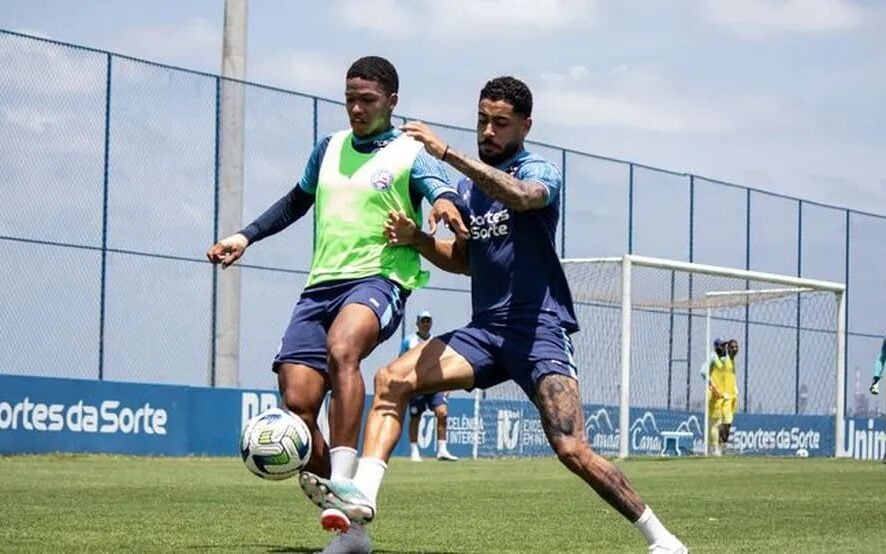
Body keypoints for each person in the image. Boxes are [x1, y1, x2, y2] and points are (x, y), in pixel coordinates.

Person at [298, 76, 687, 553]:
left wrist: (448, 154)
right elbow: (464, 260)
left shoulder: (540, 170)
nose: (488, 131)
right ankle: (358, 519)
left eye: (500, 123)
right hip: (485, 333)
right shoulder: (469, 190)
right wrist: (418, 240)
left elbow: (523, 197)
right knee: (391, 380)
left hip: (538, 329)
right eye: (482, 120)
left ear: (525, 125)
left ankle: (662, 539)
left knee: (572, 449)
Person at [206, 56, 466, 554]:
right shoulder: (328, 148)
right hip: (319, 286)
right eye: (349, 98)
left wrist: (444, 204)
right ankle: (350, 524)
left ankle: (347, 479)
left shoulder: (411, 152)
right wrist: (245, 236)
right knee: (298, 404)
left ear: (391, 101)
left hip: (380, 278)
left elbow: (440, 188)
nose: (356, 108)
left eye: (367, 100)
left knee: (343, 348)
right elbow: (294, 201)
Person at [401, 310, 458, 462]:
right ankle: (414, 451)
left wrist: (447, 385)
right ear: (417, 323)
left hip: (435, 384)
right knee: (416, 417)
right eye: (423, 321)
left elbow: (443, 364)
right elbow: (401, 362)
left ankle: (442, 450)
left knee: (442, 412)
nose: (425, 324)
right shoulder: (409, 341)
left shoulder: (437, 342)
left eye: (428, 321)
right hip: (416, 385)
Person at [701, 338, 739, 456]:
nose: (724, 347)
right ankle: (714, 448)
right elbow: (703, 372)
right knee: (716, 423)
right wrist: (711, 385)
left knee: (727, 421)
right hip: (714, 394)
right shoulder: (713, 357)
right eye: (722, 345)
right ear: (717, 346)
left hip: (725, 395)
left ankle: (721, 446)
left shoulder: (726, 359)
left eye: (725, 345)